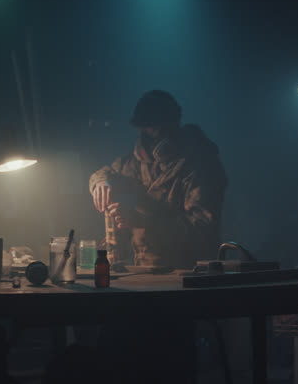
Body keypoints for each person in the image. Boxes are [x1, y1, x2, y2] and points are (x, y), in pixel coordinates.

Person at [89, 90, 227, 268]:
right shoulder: (135, 163)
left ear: (173, 125)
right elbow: (108, 172)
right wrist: (101, 181)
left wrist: (142, 221)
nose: (147, 135)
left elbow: (202, 227)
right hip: (145, 268)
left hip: (190, 270)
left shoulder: (200, 163)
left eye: (153, 128)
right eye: (143, 128)